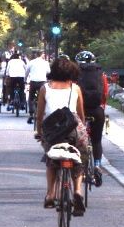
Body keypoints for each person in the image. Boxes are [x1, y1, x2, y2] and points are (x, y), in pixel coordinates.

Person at [35, 56, 91, 213]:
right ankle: (78, 191)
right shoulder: (75, 88)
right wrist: (82, 130)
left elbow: (39, 116)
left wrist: (40, 132)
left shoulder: (45, 88)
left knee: (51, 159)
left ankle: (50, 194)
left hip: (53, 130)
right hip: (74, 128)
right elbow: (81, 115)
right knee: (80, 158)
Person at [74, 50, 109, 185]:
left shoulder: (75, 74)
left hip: (80, 110)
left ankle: (79, 166)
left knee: (75, 139)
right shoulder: (101, 74)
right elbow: (105, 94)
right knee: (96, 140)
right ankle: (97, 165)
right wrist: (101, 106)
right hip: (96, 110)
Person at [24, 50, 52, 125]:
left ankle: (31, 114)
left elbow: (26, 72)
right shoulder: (45, 63)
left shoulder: (31, 62)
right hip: (42, 82)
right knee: (43, 98)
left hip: (33, 82)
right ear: (42, 55)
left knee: (31, 98)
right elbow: (49, 72)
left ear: (36, 55)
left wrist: (25, 80)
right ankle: (43, 112)